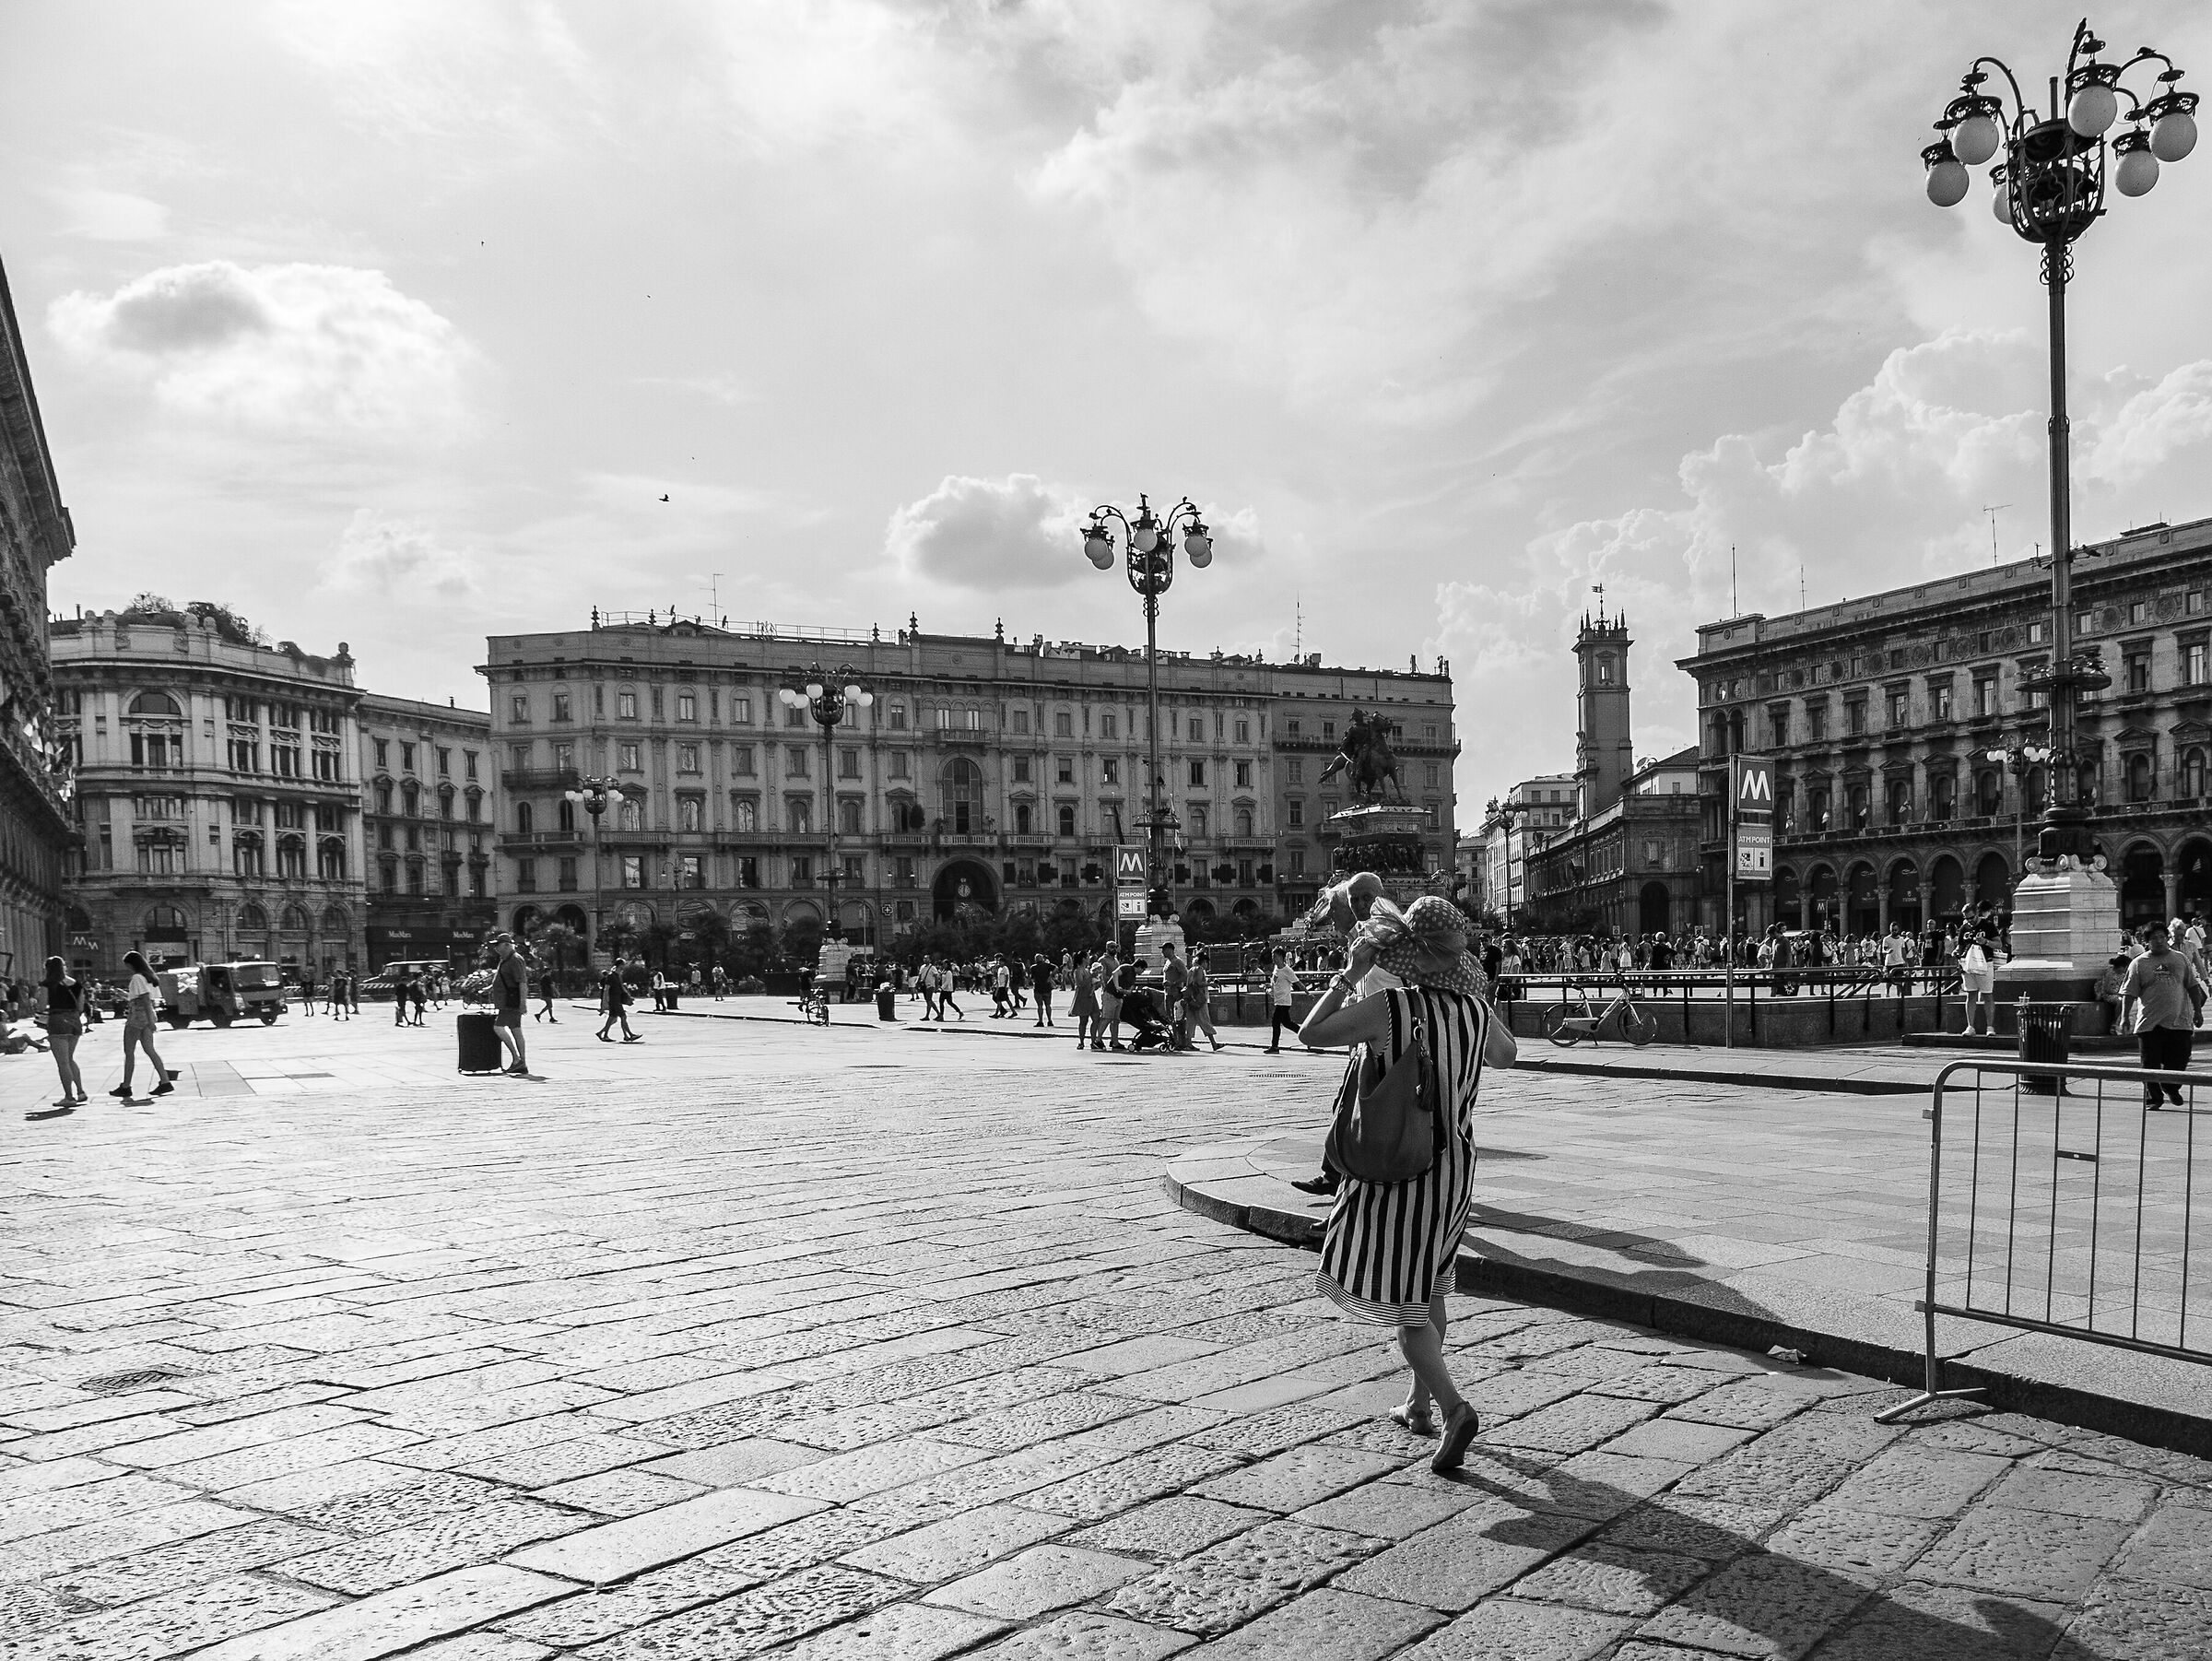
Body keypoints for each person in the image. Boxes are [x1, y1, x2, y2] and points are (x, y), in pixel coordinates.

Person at [1298, 895, 1517, 1474]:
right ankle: (1419, 1406)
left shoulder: (1391, 1007)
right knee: (1433, 1287)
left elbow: (1310, 1033)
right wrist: (1475, 998)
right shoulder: (1473, 1011)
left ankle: (1453, 1407)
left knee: (1406, 1308)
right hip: (1456, 1169)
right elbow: (1507, 1055)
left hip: (1400, 1171)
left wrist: (1350, 973)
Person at [2121, 922, 2206, 1110]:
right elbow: (2129, 993)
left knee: (2181, 1058)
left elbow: (2192, 985)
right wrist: (2125, 1017)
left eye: (2161, 937)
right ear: (2146, 941)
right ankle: (2154, 1098)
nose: (2158, 941)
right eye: (2153, 939)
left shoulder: (2180, 958)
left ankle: (2171, 1086)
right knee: (2150, 1063)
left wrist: (2197, 1011)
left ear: (2167, 938)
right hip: (2150, 1023)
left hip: (2180, 1020)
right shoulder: (2139, 963)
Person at [112, 950, 176, 1100]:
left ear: (131, 964)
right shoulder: (149, 977)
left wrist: (150, 1020)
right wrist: (151, 1019)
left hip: (137, 1015)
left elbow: (144, 998)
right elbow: (146, 998)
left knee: (129, 1051)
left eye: (127, 964)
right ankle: (165, 1081)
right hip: (147, 1013)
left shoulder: (136, 977)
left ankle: (126, 1086)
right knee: (149, 1049)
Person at [41, 957, 88, 1114]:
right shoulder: (76, 984)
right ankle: (81, 1092)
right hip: (75, 1022)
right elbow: (81, 1007)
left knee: (62, 1063)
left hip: (57, 1022)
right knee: (69, 1059)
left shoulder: (48, 984)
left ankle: (69, 1096)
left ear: (48, 969)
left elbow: (41, 1006)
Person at [490, 937, 532, 1075]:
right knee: (516, 1031)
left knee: (498, 1027)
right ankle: (522, 1063)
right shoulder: (506, 959)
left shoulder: (515, 959)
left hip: (510, 1002)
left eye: (498, 945)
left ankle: (516, 1059)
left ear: (507, 945)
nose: (495, 948)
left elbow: (522, 982)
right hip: (507, 1002)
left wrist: (523, 1003)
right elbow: (503, 979)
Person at [1959, 922, 1998, 1035]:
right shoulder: (1964, 928)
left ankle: (1990, 1027)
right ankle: (1970, 1026)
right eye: (1966, 918)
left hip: (1985, 963)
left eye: (1971, 917)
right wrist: (1957, 952)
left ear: (1976, 913)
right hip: (1968, 964)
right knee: (1970, 994)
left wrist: (1986, 941)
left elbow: (1999, 944)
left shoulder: (1988, 925)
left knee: (1987, 994)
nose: (1969, 920)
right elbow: (1960, 945)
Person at [1186, 947, 1222, 1052]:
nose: (1207, 965)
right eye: (1207, 963)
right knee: (1205, 1020)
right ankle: (1214, 1044)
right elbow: (1198, 983)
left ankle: (1188, 1043)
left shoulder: (1192, 969)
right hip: (1199, 1000)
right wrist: (1210, 984)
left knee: (1191, 1021)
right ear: (1204, 962)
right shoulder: (1200, 969)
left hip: (1191, 999)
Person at [1265, 948, 1299, 1054]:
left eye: (1275, 956)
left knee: (1275, 1022)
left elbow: (1297, 981)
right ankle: (1305, 1034)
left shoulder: (1287, 970)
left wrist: (1308, 993)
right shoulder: (1276, 968)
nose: (1273, 958)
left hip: (1284, 1001)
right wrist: (1270, 990)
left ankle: (1275, 1047)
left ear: (1281, 956)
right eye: (1272, 956)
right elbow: (1274, 982)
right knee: (1287, 1023)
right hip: (1278, 1000)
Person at [598, 960, 641, 1042]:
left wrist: (628, 996)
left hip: (617, 999)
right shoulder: (611, 976)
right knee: (623, 1016)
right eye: (623, 965)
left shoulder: (618, 976)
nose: (624, 967)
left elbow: (621, 987)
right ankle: (630, 1035)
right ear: (620, 965)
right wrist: (605, 1001)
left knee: (612, 1017)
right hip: (614, 1000)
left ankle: (604, 1034)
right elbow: (606, 989)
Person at [1069, 950, 1102, 1049]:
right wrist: (1090, 978)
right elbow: (1080, 984)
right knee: (1084, 1021)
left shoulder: (1087, 970)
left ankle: (1093, 1041)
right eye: (1087, 957)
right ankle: (1081, 1042)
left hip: (1091, 997)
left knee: (1096, 1019)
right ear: (1083, 959)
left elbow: (1090, 984)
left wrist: (1097, 984)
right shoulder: (1078, 971)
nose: (1089, 959)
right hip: (1083, 997)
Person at [2092, 952, 2131, 1037]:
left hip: (2120, 993)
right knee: (2120, 1001)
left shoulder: (2124, 973)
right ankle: (2115, 1023)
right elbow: (2108, 989)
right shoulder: (2111, 972)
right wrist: (2121, 994)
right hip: (2108, 995)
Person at [1030, 952, 1055, 1028]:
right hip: (1047, 987)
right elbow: (1056, 968)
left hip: (1038, 988)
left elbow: (1032, 978)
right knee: (1048, 1005)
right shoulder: (1047, 965)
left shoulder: (1033, 967)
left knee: (1040, 1006)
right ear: (1042, 959)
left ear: (1035, 960)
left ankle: (1040, 1021)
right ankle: (1050, 1021)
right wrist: (1050, 976)